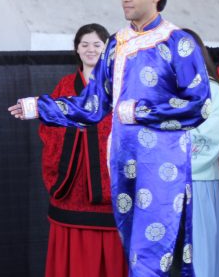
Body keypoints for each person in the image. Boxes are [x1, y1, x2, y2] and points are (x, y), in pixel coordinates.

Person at [9, 0, 211, 276]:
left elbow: (199, 105)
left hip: (162, 163)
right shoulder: (116, 43)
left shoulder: (177, 42)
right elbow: (93, 106)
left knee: (152, 253)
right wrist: (41, 107)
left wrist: (142, 112)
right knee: (132, 251)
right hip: (122, 161)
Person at [37, 23, 127, 277]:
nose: (90, 50)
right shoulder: (65, 86)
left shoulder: (118, 86)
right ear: (76, 49)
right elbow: (49, 128)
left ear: (107, 49)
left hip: (110, 185)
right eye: (84, 44)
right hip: (72, 182)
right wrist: (79, 129)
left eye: (97, 45)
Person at [182, 29, 219, 277]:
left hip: (198, 184)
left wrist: (169, 148)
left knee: (201, 260)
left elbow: (211, 141)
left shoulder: (213, 91)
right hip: (164, 187)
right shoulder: (164, 92)